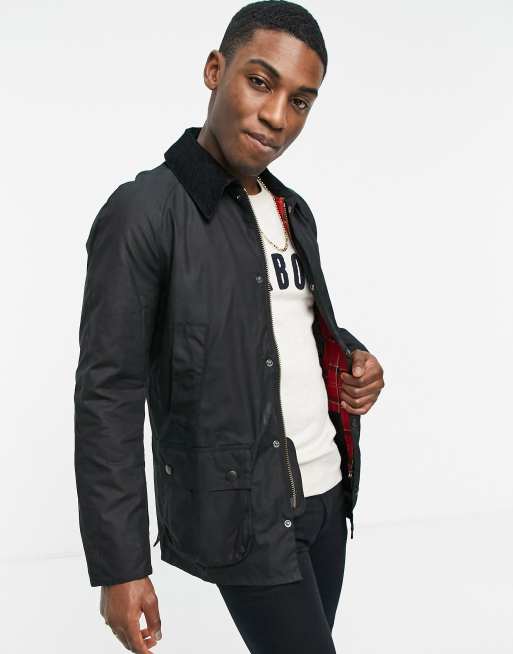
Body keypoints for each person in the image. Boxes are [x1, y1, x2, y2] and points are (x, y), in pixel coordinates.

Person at [74, 1, 385, 652]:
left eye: (300, 101)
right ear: (215, 70)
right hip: (248, 515)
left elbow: (286, 326)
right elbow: (108, 394)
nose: (277, 116)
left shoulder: (291, 209)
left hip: (328, 495)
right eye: (260, 82)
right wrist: (120, 566)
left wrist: (352, 357)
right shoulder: (144, 213)